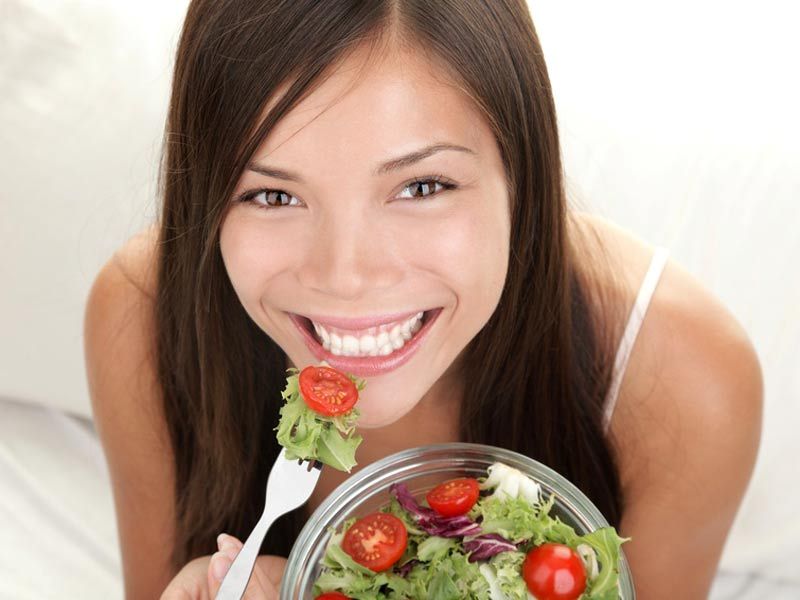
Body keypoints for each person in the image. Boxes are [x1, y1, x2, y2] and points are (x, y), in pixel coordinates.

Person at [83, 1, 763, 598]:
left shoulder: (684, 376)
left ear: (523, 172)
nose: (346, 276)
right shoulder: (141, 313)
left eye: (421, 187)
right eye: (273, 194)